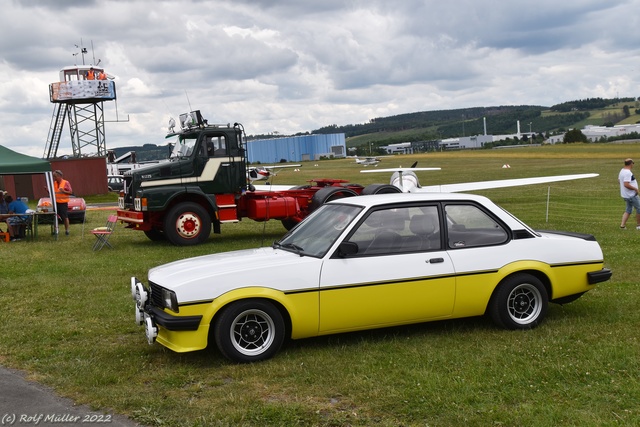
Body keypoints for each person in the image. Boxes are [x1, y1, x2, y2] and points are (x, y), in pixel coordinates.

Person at [618, 158, 640, 229]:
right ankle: (639, 225)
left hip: (626, 195)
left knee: (628, 210)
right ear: (631, 164)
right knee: (639, 208)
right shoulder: (627, 173)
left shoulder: (622, 171)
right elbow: (626, 184)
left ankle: (622, 225)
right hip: (631, 195)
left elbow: (619, 181)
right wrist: (635, 189)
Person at [53, 170, 73, 235]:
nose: (54, 178)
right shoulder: (54, 183)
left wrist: (64, 191)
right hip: (56, 203)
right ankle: (56, 230)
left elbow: (70, 192)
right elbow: (54, 192)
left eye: (55, 176)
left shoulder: (66, 182)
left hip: (63, 203)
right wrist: (48, 190)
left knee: (65, 217)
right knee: (55, 216)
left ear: (59, 176)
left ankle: (67, 230)